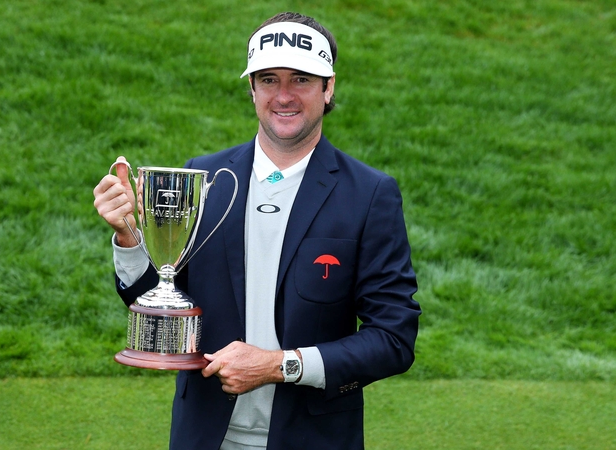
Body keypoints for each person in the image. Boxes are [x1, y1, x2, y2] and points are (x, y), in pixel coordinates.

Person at [93, 11, 421, 450]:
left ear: (329, 88)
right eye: (268, 79)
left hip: (314, 438)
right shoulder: (203, 177)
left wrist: (277, 365)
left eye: (301, 79)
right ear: (251, 89)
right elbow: (159, 309)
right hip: (205, 436)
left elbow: (393, 338)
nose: (283, 96)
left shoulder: (369, 193)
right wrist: (131, 237)